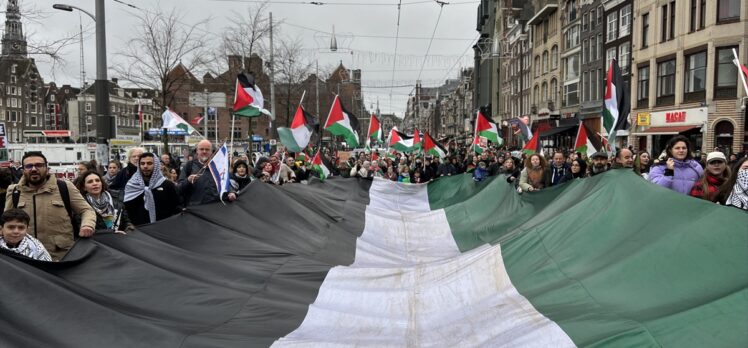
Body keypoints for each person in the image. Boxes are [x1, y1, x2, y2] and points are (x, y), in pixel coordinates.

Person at [4, 151, 96, 261]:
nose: (34, 169)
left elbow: (87, 210)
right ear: (23, 170)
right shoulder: (14, 191)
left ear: (47, 168)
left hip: (61, 258)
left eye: (39, 165)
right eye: (29, 166)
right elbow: (5, 221)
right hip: (26, 259)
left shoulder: (64, 187)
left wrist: (87, 225)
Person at [124, 153, 182, 226]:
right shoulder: (132, 185)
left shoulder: (167, 185)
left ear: (156, 165)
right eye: (142, 163)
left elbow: (176, 207)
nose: (145, 166)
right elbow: (126, 209)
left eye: (149, 163)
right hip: (138, 230)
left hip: (162, 229)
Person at [179, 140, 237, 205]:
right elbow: (179, 188)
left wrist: (231, 192)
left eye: (207, 149)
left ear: (212, 152)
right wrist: (188, 180)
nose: (204, 151)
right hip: (196, 209)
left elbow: (226, 183)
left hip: (216, 208)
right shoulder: (189, 166)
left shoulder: (218, 166)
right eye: (201, 149)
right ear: (197, 151)